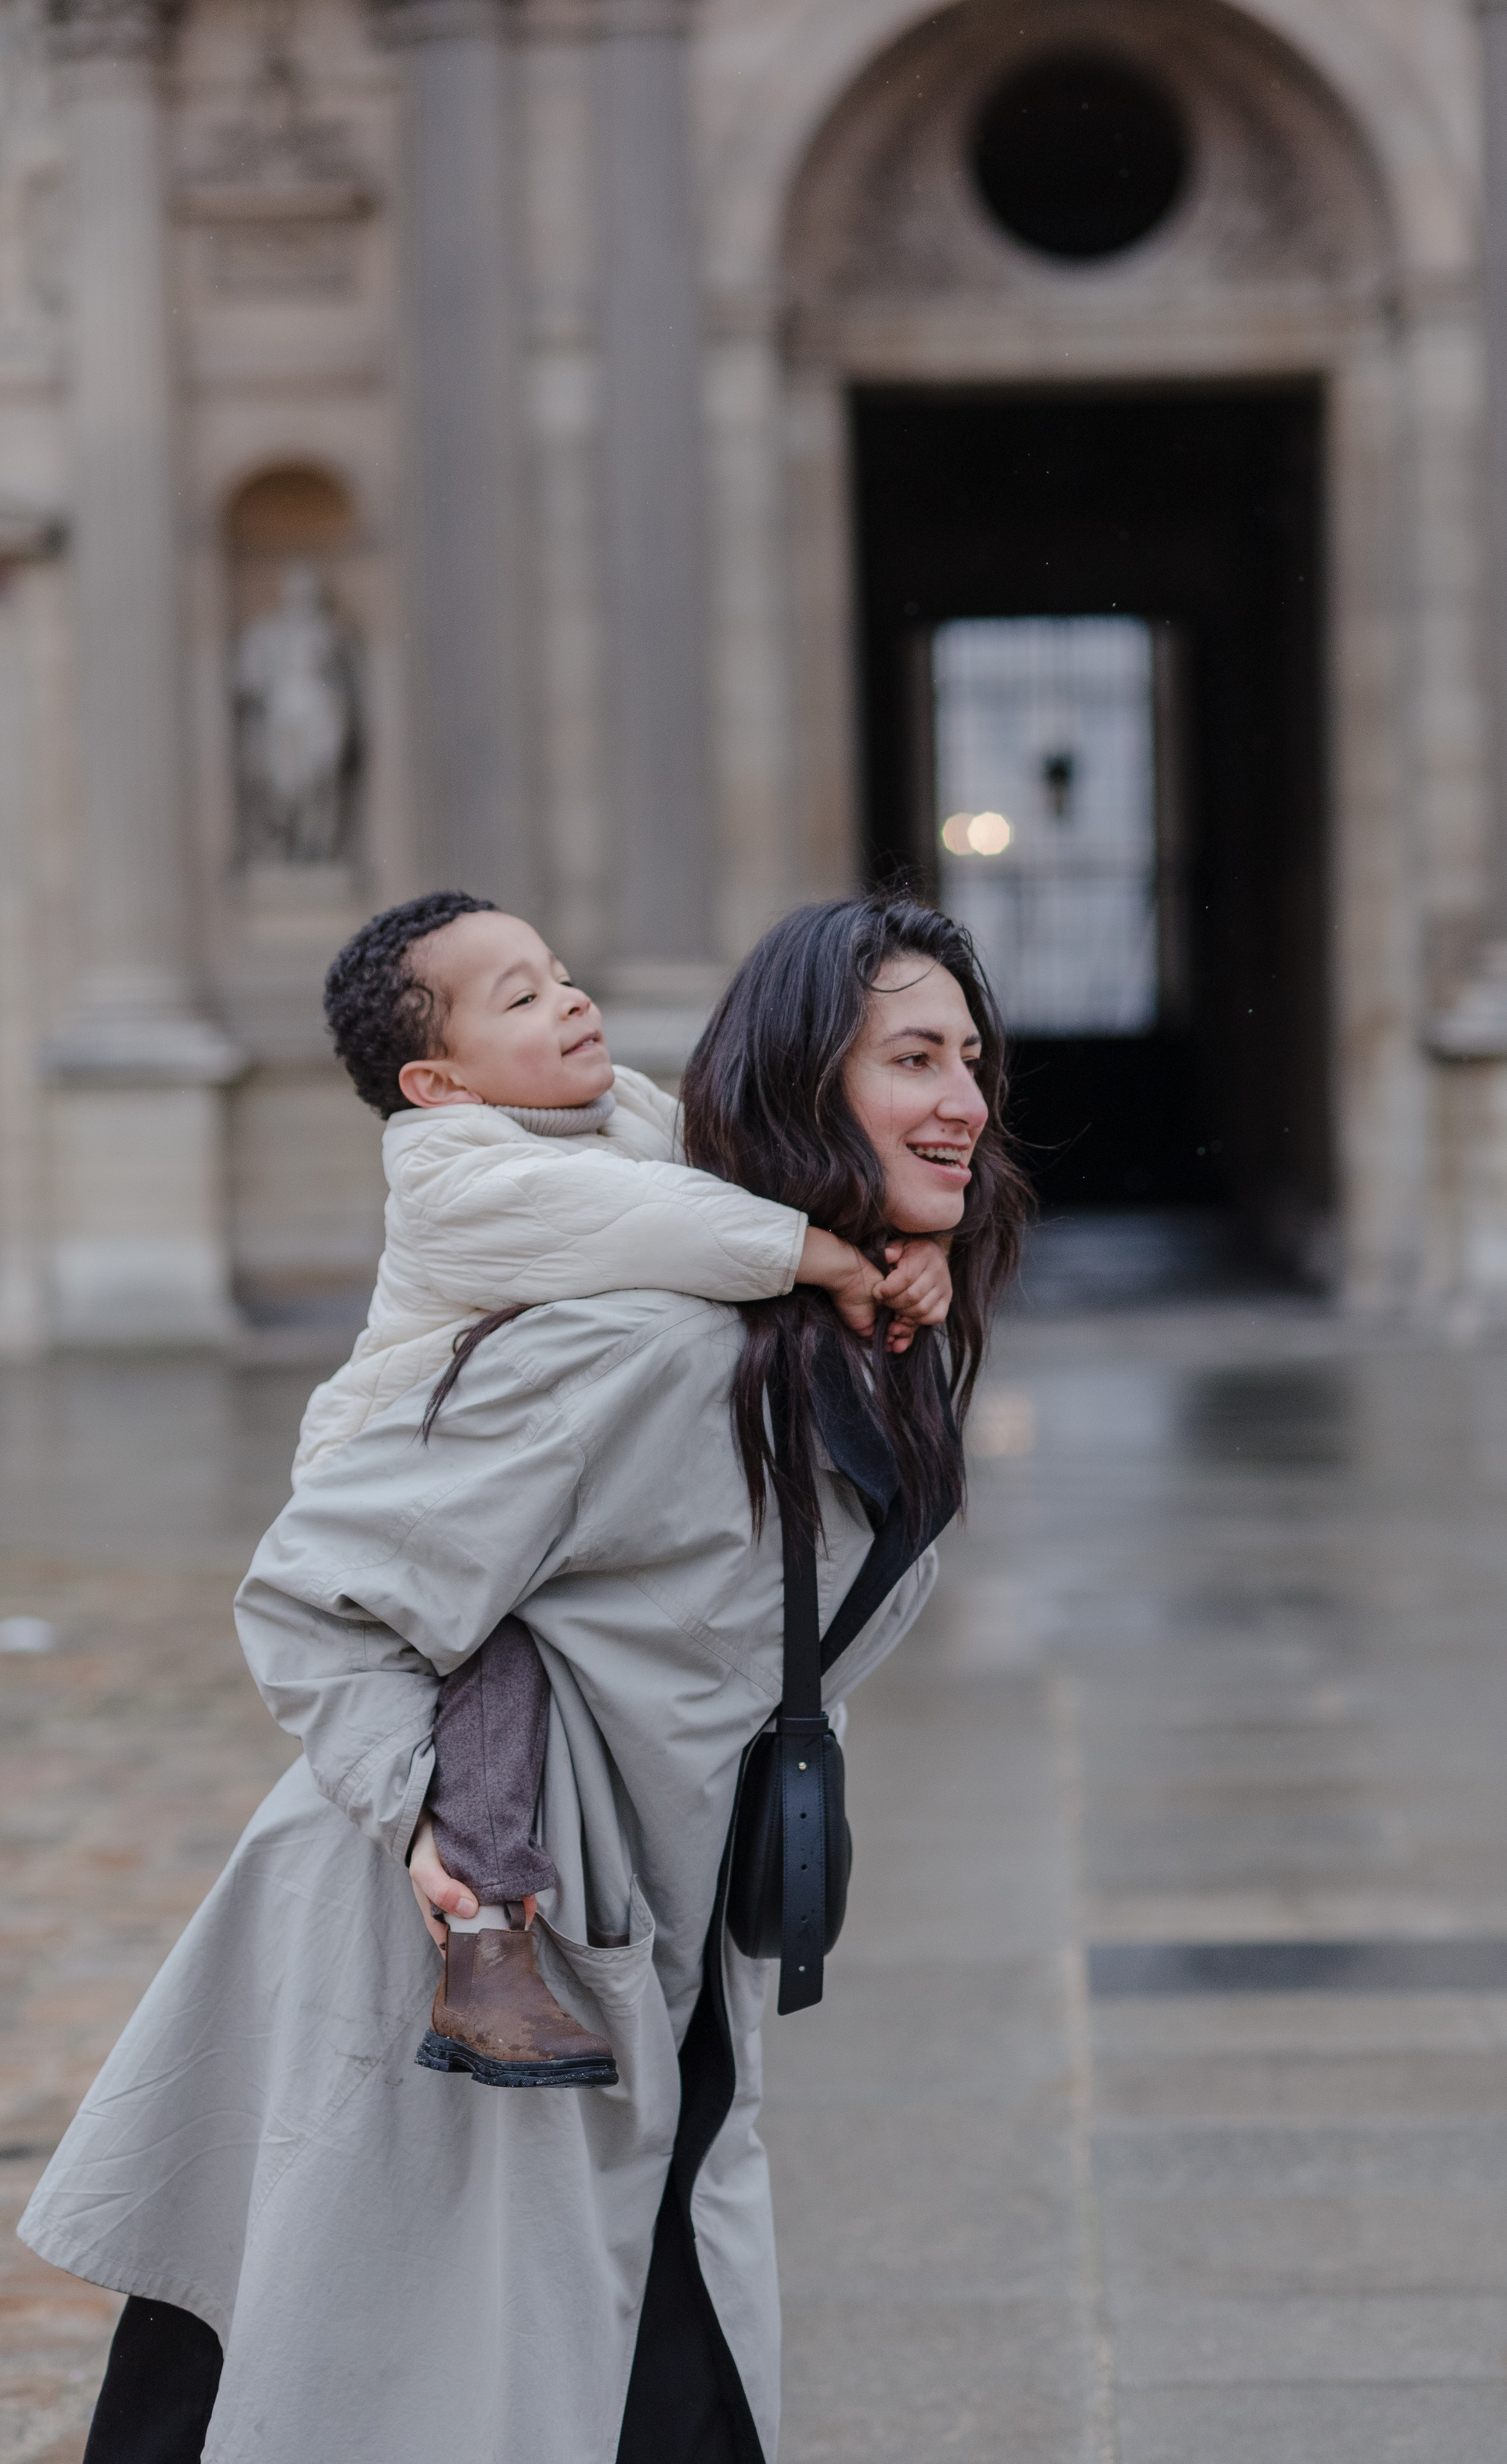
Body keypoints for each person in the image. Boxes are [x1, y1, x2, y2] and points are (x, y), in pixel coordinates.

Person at [19, 893, 1030, 2464]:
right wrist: (429, 1819)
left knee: (592, 2362)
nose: (963, 1100)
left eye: (970, 1057)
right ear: (798, 1086)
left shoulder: (860, 1356)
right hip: (446, 1947)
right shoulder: (652, 1349)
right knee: (336, 2375)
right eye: (912, 1057)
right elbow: (314, 1589)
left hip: (652, 1960)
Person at [302, 891, 953, 2088]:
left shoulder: (620, 1112)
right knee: (491, 1677)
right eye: (521, 997)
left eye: (559, 972)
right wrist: (828, 1259)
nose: (570, 998)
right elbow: (662, 1219)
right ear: (437, 1083)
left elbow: (730, 1174)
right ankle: (490, 1937)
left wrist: (898, 1237)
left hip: (534, 1474)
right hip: (415, 1481)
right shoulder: (451, 1169)